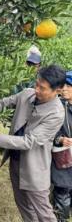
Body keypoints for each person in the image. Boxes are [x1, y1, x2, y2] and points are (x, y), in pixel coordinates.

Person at [0, 64, 66, 222]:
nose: (37, 90)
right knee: (23, 206)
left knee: (44, 213)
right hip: (15, 161)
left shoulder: (56, 113)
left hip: (34, 169)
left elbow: (30, 141)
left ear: (58, 90)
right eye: (37, 84)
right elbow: (4, 102)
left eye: (42, 88)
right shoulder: (27, 94)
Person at [51, 71, 72, 222]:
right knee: (62, 193)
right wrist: (59, 139)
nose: (63, 89)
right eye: (62, 85)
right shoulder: (56, 106)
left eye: (68, 86)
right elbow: (46, 131)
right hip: (63, 158)